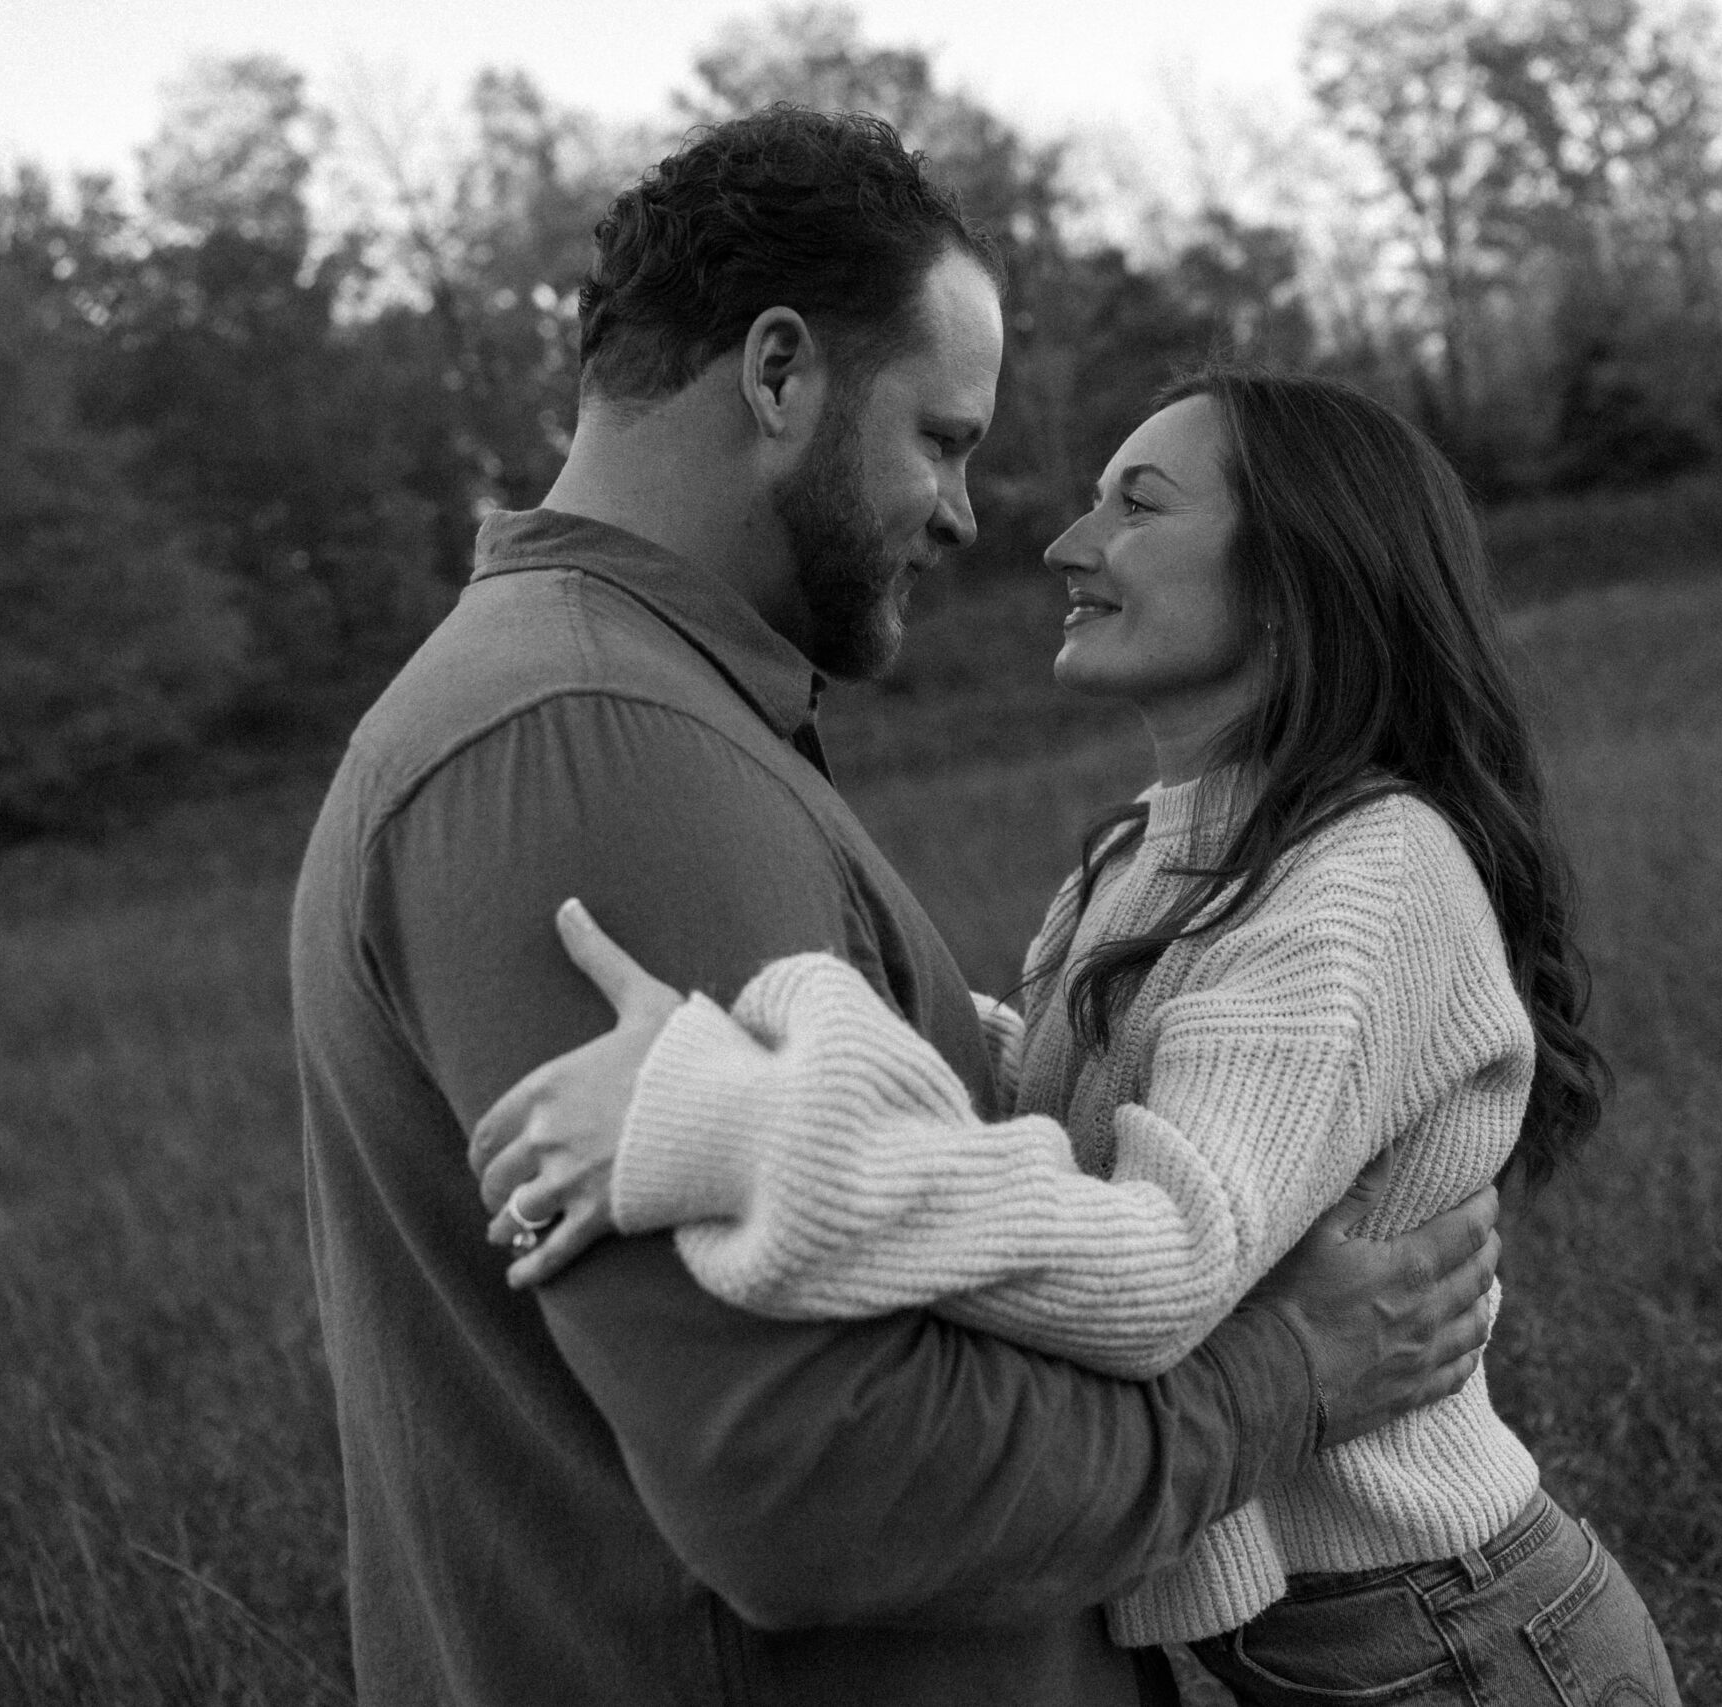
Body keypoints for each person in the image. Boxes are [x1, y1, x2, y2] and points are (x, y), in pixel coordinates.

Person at [290, 109, 1505, 1707]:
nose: (974, 516)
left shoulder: (629, 711)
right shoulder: (598, 750)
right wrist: (1291, 1374)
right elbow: (828, 1484)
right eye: (941, 438)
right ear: (779, 375)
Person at [470, 368, 1685, 1705]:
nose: (1062, 543)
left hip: (1447, 1641)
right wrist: (776, 1018)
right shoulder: (1145, 857)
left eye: (1137, 505)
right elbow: (1061, 1110)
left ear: (1294, 575)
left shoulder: (1368, 882)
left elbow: (1164, 1266)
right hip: (1310, 1648)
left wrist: (734, 1127)